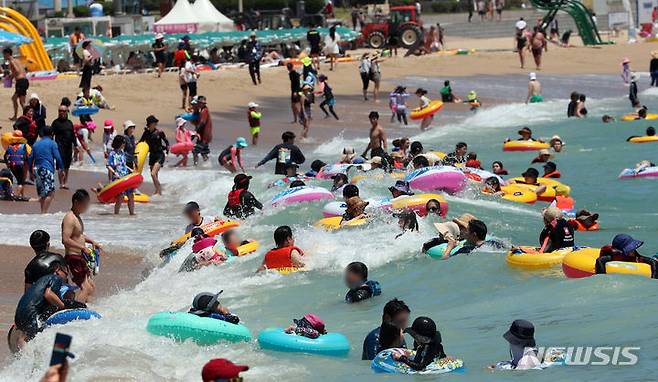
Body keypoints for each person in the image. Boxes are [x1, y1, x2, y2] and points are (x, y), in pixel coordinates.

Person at [13, 265, 68, 347]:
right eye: (66, 273)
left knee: (26, 336)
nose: (67, 278)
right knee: (30, 338)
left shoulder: (42, 281)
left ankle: (21, 356)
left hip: (20, 312)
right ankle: (27, 358)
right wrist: (63, 306)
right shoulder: (55, 278)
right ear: (57, 270)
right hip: (30, 311)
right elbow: (48, 295)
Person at [61, 189, 100, 295]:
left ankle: (85, 307)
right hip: (73, 258)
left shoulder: (77, 217)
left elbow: (79, 235)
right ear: (77, 202)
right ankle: (80, 309)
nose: (87, 207)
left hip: (80, 257)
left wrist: (91, 241)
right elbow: (65, 239)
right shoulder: (70, 218)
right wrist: (83, 248)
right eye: (85, 204)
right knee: (85, 288)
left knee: (91, 287)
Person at [31, 126, 64, 213]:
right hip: (46, 169)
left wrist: (30, 172)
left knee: (43, 193)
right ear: (52, 134)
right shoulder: (52, 143)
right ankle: (44, 213)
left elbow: (30, 158)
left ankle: (42, 213)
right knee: (50, 193)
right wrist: (62, 169)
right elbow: (58, 157)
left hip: (37, 169)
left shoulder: (36, 144)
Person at [139, 115, 169, 195]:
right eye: (154, 122)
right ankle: (157, 192)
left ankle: (159, 191)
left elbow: (166, 142)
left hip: (159, 155)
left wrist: (167, 150)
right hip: (152, 155)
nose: (156, 123)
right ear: (150, 123)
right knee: (155, 174)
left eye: (156, 122)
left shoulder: (160, 132)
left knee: (153, 174)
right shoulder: (146, 133)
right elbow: (141, 142)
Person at [106, 135, 135, 215]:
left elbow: (123, 164)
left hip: (125, 177)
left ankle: (132, 214)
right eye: (123, 143)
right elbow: (108, 165)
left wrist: (130, 169)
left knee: (131, 195)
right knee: (120, 197)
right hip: (118, 178)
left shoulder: (122, 153)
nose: (124, 144)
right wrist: (114, 174)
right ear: (119, 143)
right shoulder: (112, 154)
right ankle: (116, 214)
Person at [51, 105, 77, 189]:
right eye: (60, 111)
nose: (61, 112)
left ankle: (65, 183)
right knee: (60, 166)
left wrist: (76, 145)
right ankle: (61, 183)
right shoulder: (55, 123)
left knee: (67, 166)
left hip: (68, 147)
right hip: (59, 147)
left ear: (67, 112)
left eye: (63, 111)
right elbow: (51, 135)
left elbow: (73, 135)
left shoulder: (69, 123)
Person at [4, 47, 29, 121]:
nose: (4, 56)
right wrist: (11, 77)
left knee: (17, 100)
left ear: (7, 54)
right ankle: (24, 116)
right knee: (21, 101)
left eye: (4, 55)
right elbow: (22, 70)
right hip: (24, 81)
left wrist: (11, 76)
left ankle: (26, 116)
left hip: (20, 82)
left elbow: (17, 71)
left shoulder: (11, 61)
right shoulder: (17, 60)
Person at [3, 130, 29, 197]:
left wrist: (7, 164)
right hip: (20, 165)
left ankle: (22, 195)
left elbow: (5, 156)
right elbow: (29, 155)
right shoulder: (24, 146)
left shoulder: (9, 146)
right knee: (21, 182)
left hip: (12, 165)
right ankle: (17, 196)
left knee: (19, 180)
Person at [191, 96, 212, 164]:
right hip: (204, 136)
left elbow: (202, 123)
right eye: (199, 103)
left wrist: (195, 132)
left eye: (200, 103)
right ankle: (208, 165)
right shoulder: (203, 110)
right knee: (203, 152)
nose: (199, 104)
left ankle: (195, 165)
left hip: (204, 136)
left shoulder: (204, 111)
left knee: (195, 151)